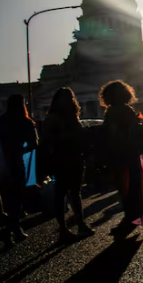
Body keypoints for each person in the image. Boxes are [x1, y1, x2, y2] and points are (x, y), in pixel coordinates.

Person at [40, 88, 95, 241]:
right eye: (67, 98)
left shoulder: (71, 117)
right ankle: (64, 229)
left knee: (74, 193)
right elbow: (46, 141)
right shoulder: (53, 118)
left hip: (74, 157)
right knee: (62, 194)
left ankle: (79, 224)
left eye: (70, 97)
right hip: (61, 159)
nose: (69, 101)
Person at [99, 81, 143, 237]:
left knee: (125, 187)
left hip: (119, 154)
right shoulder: (127, 110)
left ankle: (131, 219)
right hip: (130, 153)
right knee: (132, 186)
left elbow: (108, 134)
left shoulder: (112, 112)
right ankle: (134, 219)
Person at [0, 94, 37, 244]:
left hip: (0, 164)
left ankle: (9, 229)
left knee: (6, 198)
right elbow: (34, 144)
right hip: (16, 163)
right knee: (17, 198)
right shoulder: (26, 122)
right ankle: (15, 229)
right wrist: (20, 150)